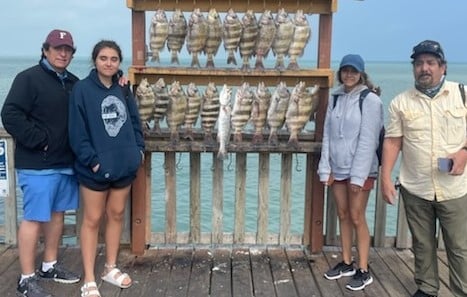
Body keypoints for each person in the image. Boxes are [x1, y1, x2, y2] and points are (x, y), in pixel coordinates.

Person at [381, 40, 467, 297]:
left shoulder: (463, 94)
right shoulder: (400, 103)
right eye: (419, 64)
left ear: (443, 67)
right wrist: (386, 176)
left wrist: (464, 153)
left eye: (430, 63)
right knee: (422, 244)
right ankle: (428, 288)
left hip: (455, 188)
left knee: (460, 246)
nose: (424, 68)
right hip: (415, 186)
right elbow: (393, 141)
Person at [1, 29, 82, 297]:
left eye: (67, 50)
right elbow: (10, 114)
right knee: (34, 218)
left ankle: (49, 266)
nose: (62, 53)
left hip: (65, 163)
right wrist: (39, 140)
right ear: (45, 50)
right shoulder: (28, 79)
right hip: (37, 165)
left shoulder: (73, 82)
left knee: (57, 215)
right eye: (57, 48)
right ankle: (26, 278)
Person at [68, 40, 145, 297]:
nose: (109, 63)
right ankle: (89, 278)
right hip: (95, 169)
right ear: (95, 60)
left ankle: (110, 268)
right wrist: (93, 160)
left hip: (124, 166)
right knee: (92, 220)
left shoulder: (124, 89)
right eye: (103, 58)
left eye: (114, 59)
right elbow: (77, 132)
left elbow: (134, 121)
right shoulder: (81, 90)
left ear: (118, 62)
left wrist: (138, 151)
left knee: (116, 215)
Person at [318, 54, 384, 291]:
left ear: (361, 74)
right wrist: (325, 167)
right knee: (343, 214)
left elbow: (368, 140)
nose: (349, 74)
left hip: (362, 170)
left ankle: (364, 269)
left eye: (354, 71)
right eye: (345, 70)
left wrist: (358, 176)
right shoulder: (335, 98)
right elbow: (327, 135)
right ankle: (347, 262)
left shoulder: (370, 100)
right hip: (338, 168)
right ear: (340, 73)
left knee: (357, 216)